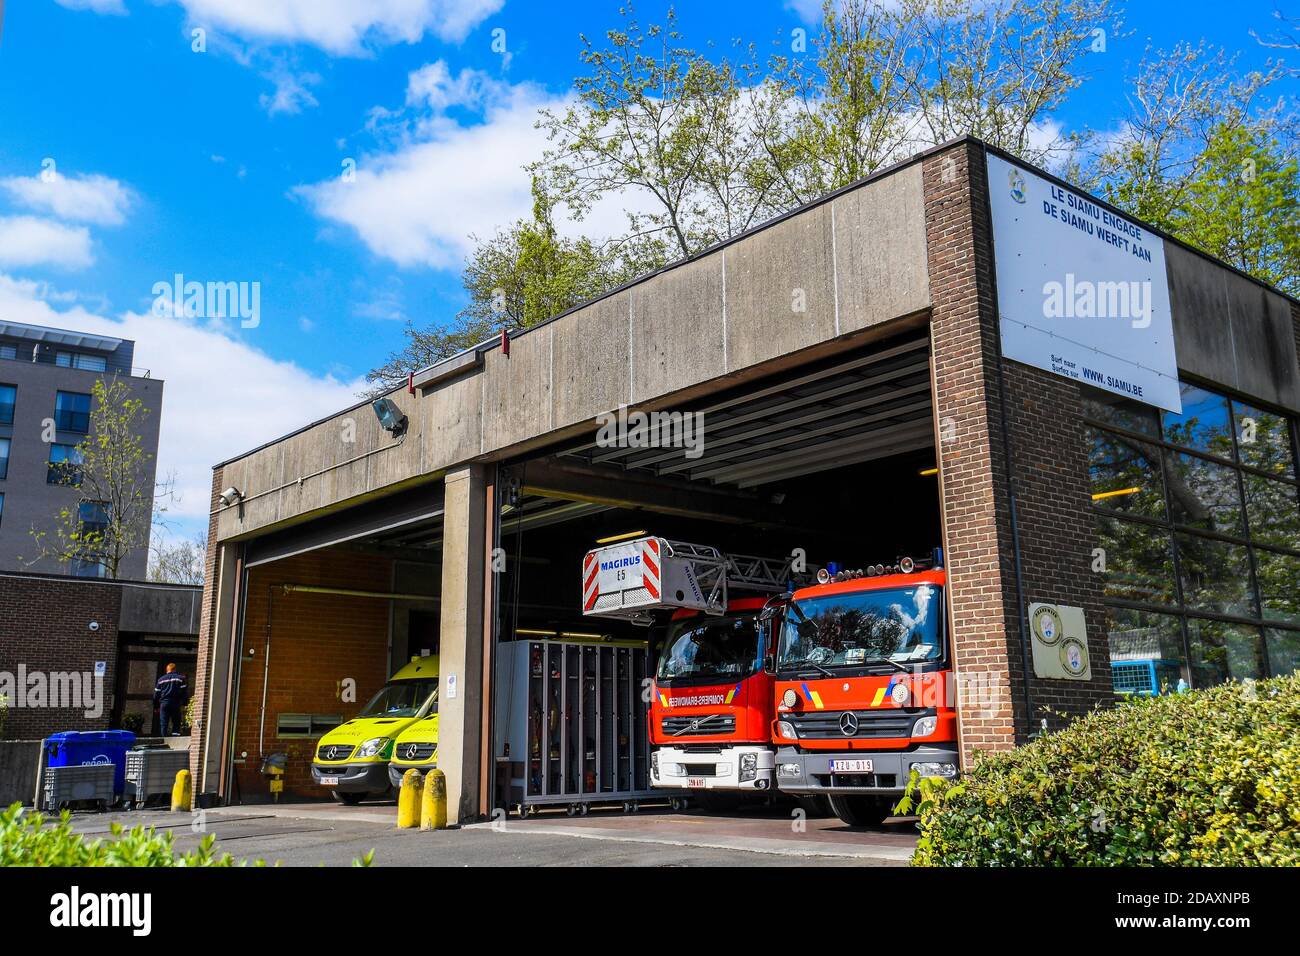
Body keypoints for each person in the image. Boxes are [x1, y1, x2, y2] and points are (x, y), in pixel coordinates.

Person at [153, 663, 188, 736]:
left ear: (167, 670)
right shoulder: (180, 679)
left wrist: (156, 706)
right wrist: (184, 704)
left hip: (164, 703)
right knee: (176, 722)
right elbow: (184, 693)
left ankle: (164, 739)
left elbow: (156, 694)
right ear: (175, 669)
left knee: (164, 723)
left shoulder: (161, 680)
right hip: (175, 703)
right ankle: (175, 738)